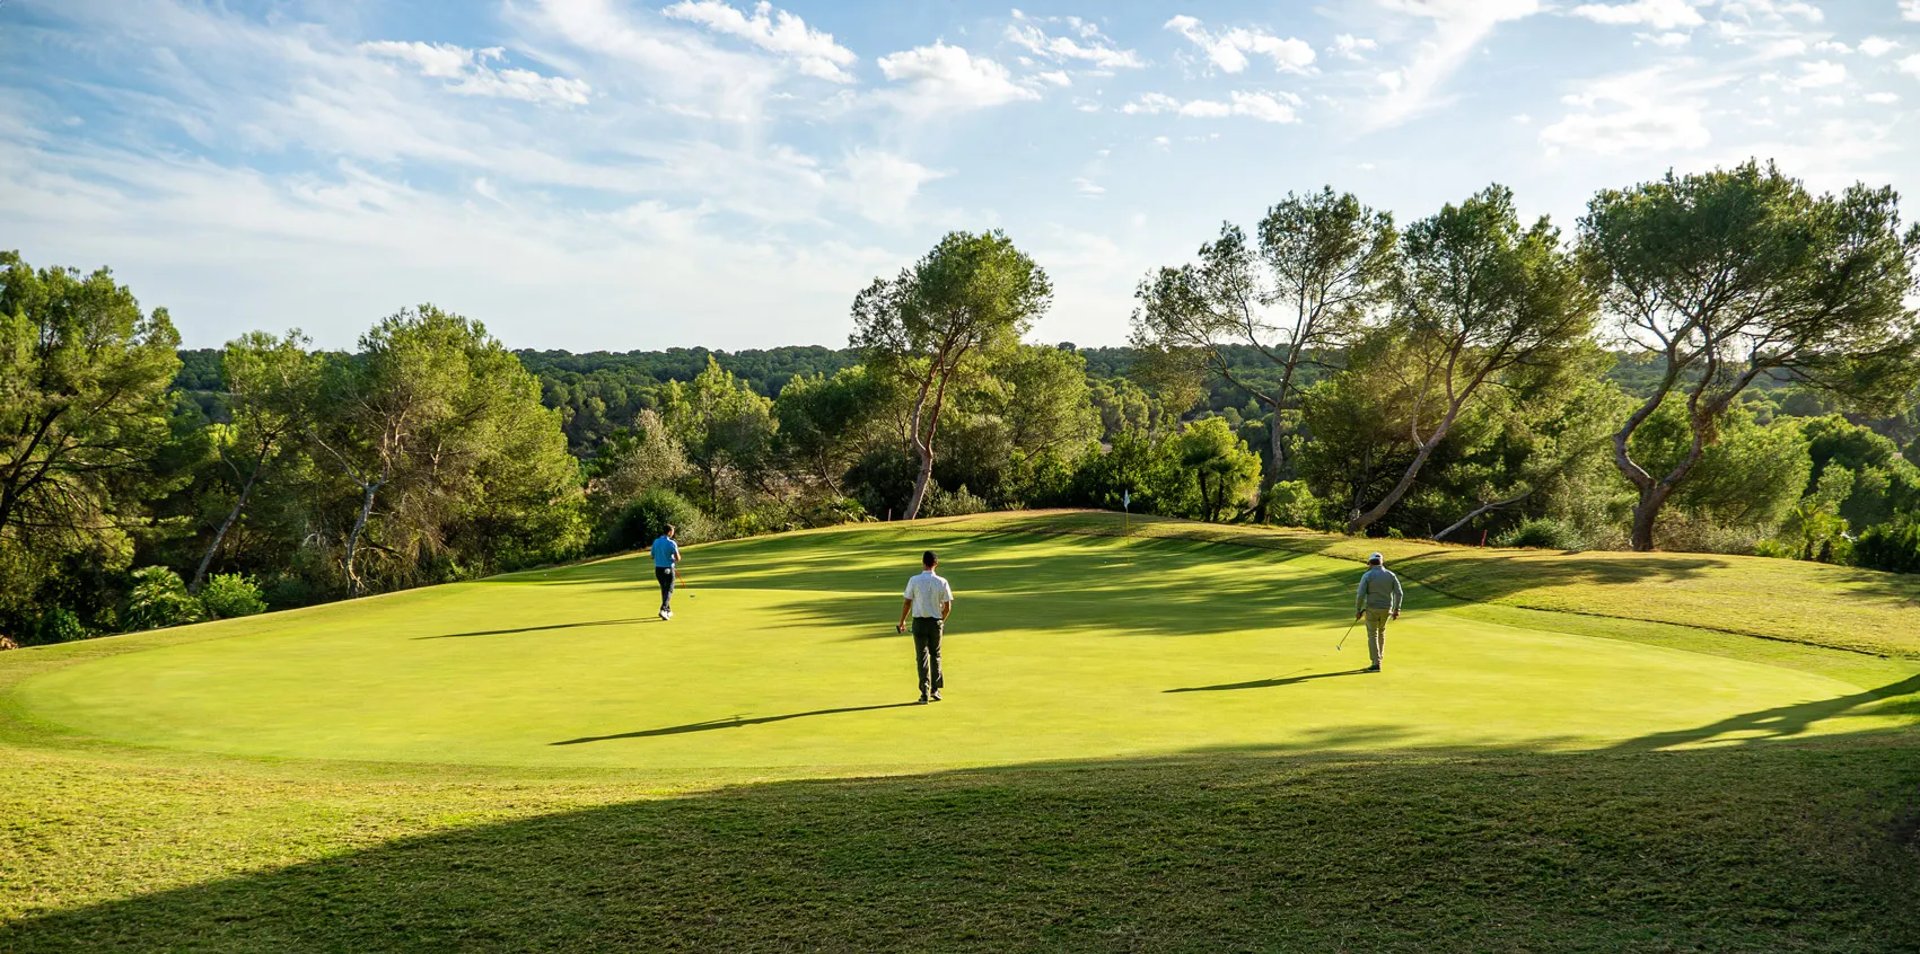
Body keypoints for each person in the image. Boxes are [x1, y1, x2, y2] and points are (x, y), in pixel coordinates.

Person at [896, 550, 953, 704]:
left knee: (921, 658)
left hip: (919, 623)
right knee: (936, 655)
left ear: (923, 563)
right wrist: (942, 620)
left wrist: (902, 622)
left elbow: (907, 602)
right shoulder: (942, 582)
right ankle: (935, 689)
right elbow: (948, 606)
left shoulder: (914, 580)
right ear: (936, 564)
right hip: (935, 622)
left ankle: (924, 692)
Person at [1353, 551, 1403, 673]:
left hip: (1372, 609)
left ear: (1370, 563)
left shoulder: (1367, 575)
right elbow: (1399, 593)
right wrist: (1397, 609)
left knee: (1372, 634)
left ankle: (1376, 663)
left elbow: (1360, 595)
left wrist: (1358, 610)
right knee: (1381, 632)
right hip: (1387, 609)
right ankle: (1379, 659)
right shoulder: (1391, 575)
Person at [651, 524, 680, 620]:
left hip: (658, 569)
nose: (673, 533)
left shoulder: (656, 542)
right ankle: (663, 610)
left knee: (664, 590)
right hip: (668, 569)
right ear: (669, 532)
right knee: (669, 590)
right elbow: (678, 558)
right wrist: (671, 558)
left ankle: (668, 610)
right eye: (672, 531)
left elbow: (652, 556)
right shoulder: (672, 543)